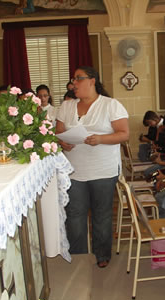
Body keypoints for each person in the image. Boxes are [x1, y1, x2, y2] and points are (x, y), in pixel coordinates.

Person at [55, 66, 129, 268]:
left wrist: (101, 139)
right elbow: (58, 132)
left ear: (92, 81)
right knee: (75, 214)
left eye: (79, 79)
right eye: (73, 79)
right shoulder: (67, 106)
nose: (74, 83)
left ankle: (102, 254)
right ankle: (78, 256)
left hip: (103, 170)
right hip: (74, 170)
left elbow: (123, 133)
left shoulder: (110, 105)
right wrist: (63, 142)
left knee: (101, 213)